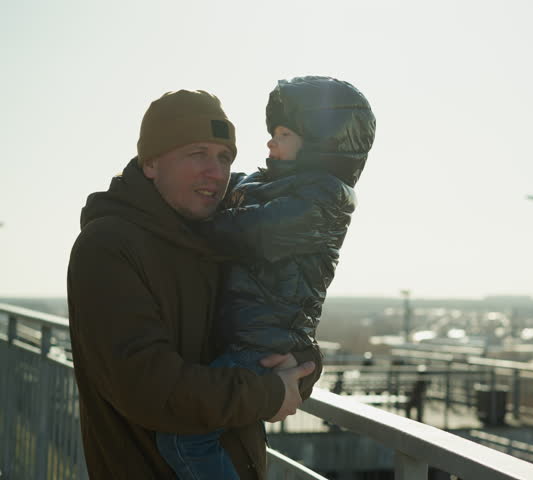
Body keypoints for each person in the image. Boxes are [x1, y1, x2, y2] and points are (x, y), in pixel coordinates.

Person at [67, 89, 315, 479]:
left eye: (224, 157)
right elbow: (150, 387)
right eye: (197, 153)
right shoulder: (108, 247)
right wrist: (268, 392)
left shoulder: (221, 237)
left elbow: (274, 329)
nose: (215, 173)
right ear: (151, 162)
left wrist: (301, 366)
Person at [156, 76, 376, 479]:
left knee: (183, 437)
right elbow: (230, 187)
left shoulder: (322, 199)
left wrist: (195, 221)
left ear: (318, 143)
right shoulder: (276, 184)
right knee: (205, 429)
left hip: (263, 346)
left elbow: (249, 231)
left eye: (284, 134)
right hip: (252, 339)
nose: (271, 143)